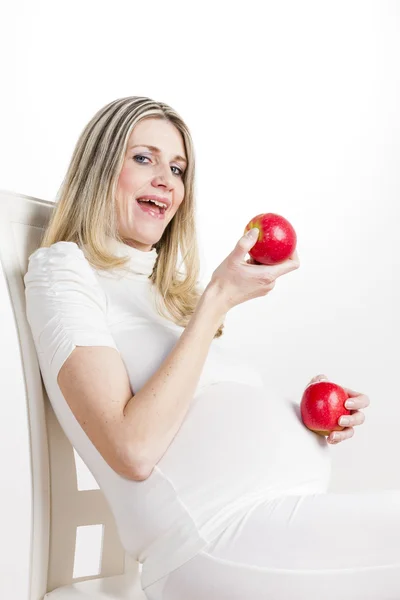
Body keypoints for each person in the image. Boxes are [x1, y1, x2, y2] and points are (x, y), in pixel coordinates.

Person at [23, 96, 398, 600]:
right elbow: (131, 450)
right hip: (211, 541)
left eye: (177, 168)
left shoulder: (161, 298)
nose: (167, 180)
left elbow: (196, 414)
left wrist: (307, 418)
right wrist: (217, 300)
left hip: (272, 522)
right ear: (98, 167)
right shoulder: (65, 269)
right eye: (143, 158)